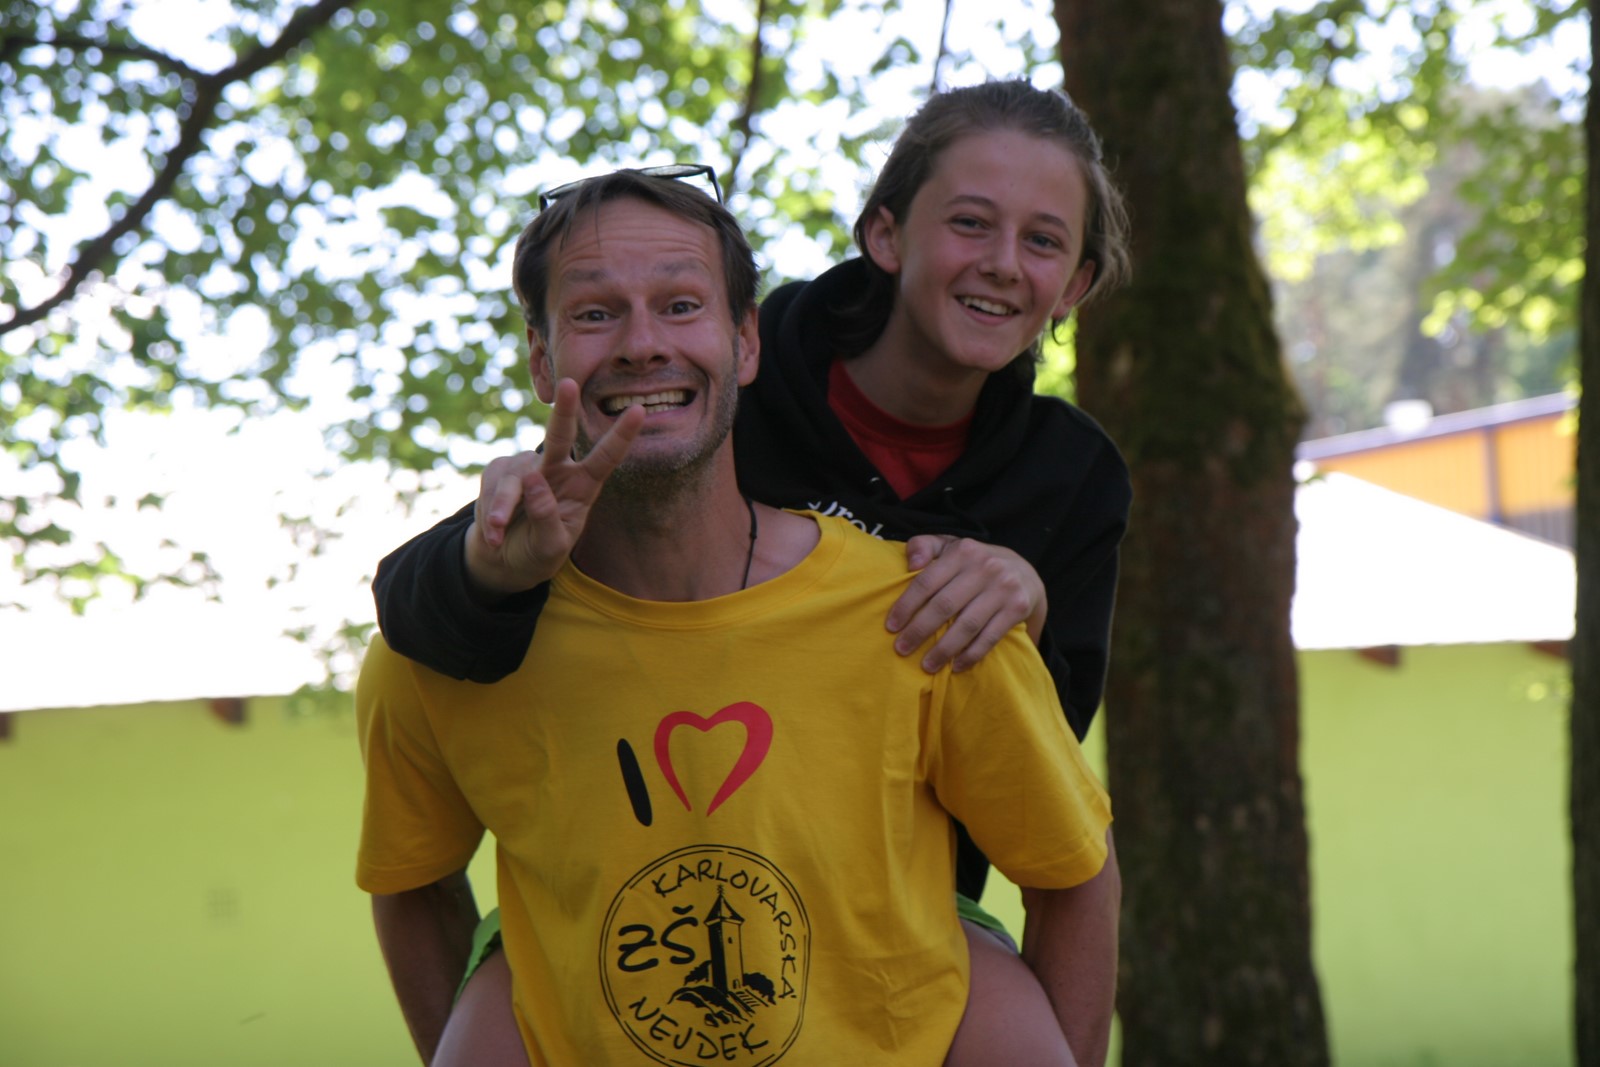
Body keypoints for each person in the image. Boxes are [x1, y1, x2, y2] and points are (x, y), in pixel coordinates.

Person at [375, 79, 1132, 1062]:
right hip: (595, 899)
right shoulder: (734, 386)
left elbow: (1046, 776)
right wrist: (486, 567)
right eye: (970, 222)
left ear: (1074, 284)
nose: (1000, 261)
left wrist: (1023, 600)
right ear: (885, 233)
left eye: (1043, 240)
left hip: (903, 891)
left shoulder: (1070, 474)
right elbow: (473, 583)